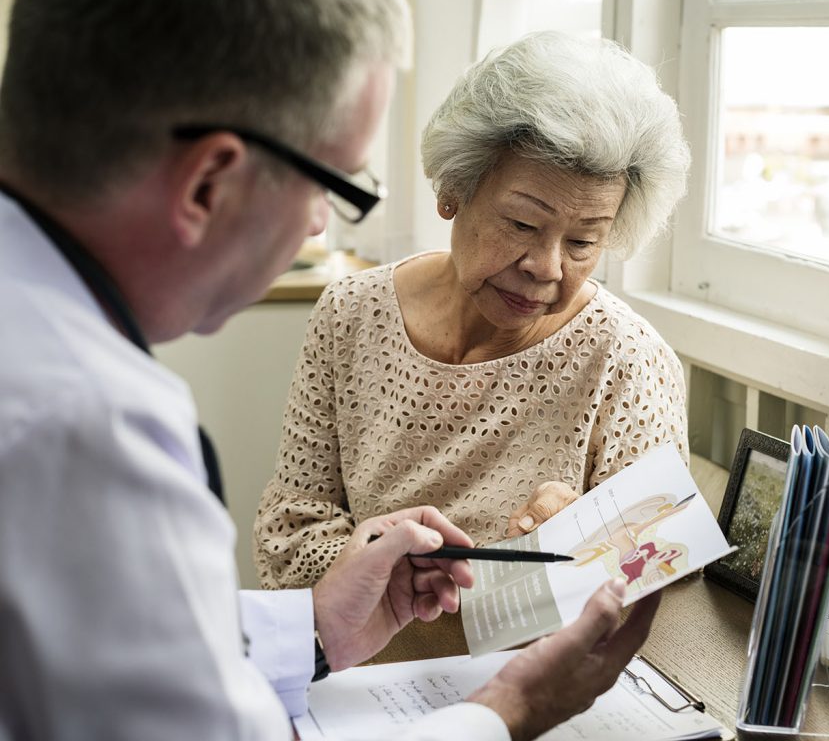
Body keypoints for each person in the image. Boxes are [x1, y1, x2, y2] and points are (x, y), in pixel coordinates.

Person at [0, 0, 660, 740]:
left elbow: (108, 653)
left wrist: (314, 629)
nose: (320, 223)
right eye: (331, 183)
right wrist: (513, 710)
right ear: (209, 181)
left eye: (582, 241)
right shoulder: (85, 427)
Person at [254, 30, 692, 591]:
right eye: (522, 224)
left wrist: (589, 542)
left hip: (529, 667)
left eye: (583, 242)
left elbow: (660, 579)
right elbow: (290, 532)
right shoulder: (351, 312)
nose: (547, 266)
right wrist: (403, 570)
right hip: (357, 648)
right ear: (453, 191)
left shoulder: (628, 359)